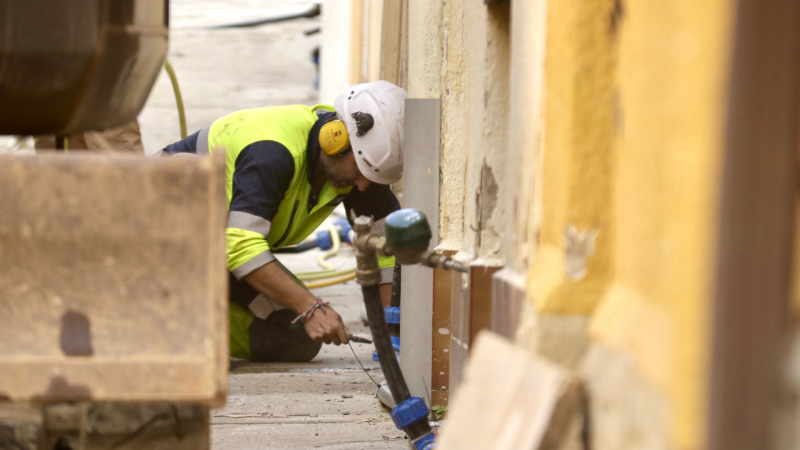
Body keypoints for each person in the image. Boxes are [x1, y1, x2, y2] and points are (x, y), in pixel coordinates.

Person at [159, 80, 406, 362]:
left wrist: (391, 339)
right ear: (334, 138)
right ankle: (155, 321)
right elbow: (241, 244)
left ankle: (189, 331)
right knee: (305, 312)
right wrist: (311, 306)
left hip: (215, 258)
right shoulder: (274, 151)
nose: (363, 186)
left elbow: (386, 252)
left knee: (295, 336)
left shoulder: (362, 168)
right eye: (360, 171)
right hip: (159, 240)